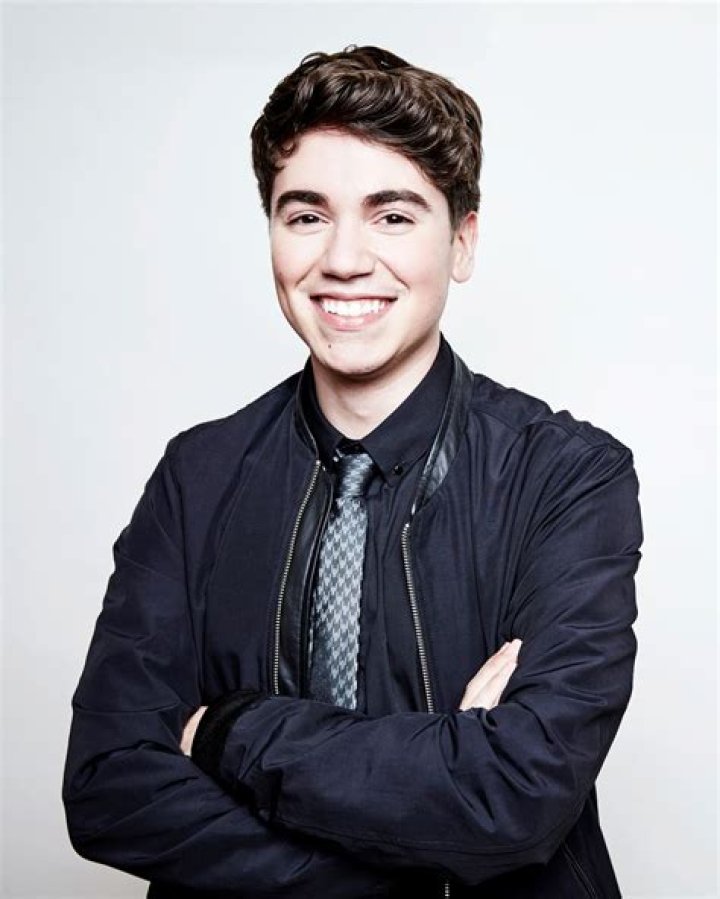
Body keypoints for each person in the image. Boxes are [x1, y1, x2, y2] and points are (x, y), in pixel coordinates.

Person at [63, 45, 643, 898]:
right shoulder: (197, 477)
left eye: (392, 216)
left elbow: (516, 795)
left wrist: (228, 730)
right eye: (306, 215)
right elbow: (109, 787)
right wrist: (425, 835)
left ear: (463, 242)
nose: (343, 259)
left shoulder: (567, 477)